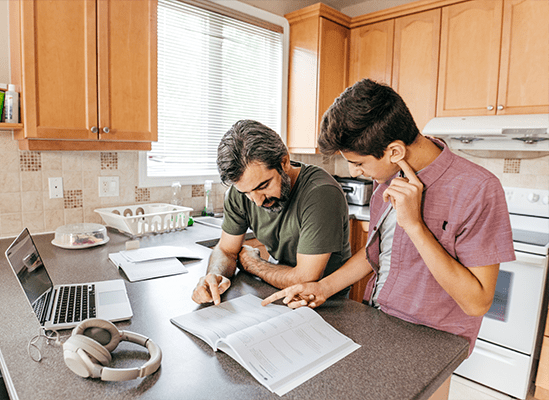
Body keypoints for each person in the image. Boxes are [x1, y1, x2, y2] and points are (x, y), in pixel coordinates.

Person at [262, 79, 516, 354]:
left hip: (432, 344)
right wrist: (322, 287)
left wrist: (415, 227)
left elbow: (477, 303)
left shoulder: (478, 189)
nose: (356, 172)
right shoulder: (386, 175)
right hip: (377, 320)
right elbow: (381, 248)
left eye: (358, 163)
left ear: (394, 151)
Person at [192, 119, 352, 305]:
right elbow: (227, 250)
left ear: (284, 161)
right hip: (277, 291)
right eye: (247, 193)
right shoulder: (241, 193)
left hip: (327, 304)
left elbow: (305, 278)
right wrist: (214, 277)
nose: (257, 201)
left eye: (263, 186)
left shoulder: (321, 193)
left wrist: (252, 264)